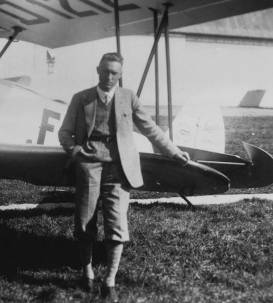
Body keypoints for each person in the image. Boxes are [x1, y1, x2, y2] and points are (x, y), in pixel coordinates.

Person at [58, 52, 190, 301]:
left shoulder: (128, 98)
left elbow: (151, 129)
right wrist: (76, 152)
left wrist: (174, 152)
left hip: (120, 167)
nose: (109, 77)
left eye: (114, 73)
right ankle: (86, 272)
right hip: (89, 166)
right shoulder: (81, 98)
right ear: (98, 70)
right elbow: (65, 133)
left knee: (117, 223)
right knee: (84, 221)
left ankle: (110, 279)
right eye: (105, 71)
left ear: (120, 75)